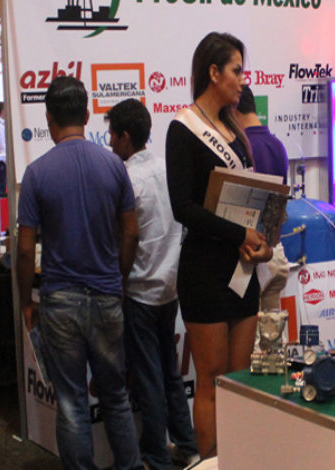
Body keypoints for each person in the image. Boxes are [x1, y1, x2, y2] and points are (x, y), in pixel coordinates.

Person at [14, 76, 142, 470]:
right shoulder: (114, 166)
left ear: (48, 118)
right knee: (116, 397)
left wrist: (25, 301)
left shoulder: (36, 173)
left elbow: (24, 248)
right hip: (106, 296)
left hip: (60, 301)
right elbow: (131, 232)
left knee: (71, 403)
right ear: (87, 115)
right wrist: (119, 280)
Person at [165, 31, 273, 459]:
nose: (243, 80)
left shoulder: (235, 131)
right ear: (213, 73)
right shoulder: (183, 128)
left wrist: (262, 242)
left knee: (239, 379)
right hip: (205, 271)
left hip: (243, 270)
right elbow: (182, 207)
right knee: (211, 380)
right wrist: (237, 234)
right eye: (236, 70)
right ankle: (211, 463)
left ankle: (239, 459)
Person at [105, 98, 199, 469]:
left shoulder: (126, 179)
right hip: (170, 287)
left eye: (112, 135)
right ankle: (187, 445)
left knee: (148, 378)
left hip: (140, 290)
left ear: (126, 137)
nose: (110, 142)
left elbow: (126, 236)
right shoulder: (166, 169)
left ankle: (158, 458)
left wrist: (119, 280)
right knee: (170, 372)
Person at [234, 86, 289, 311]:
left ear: (233, 111)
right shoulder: (278, 145)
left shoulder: (240, 147)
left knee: (251, 332)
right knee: (273, 328)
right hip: (275, 254)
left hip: (251, 259)